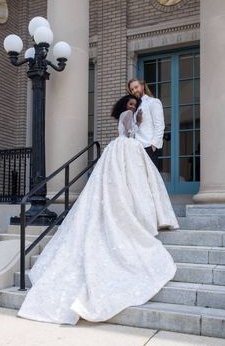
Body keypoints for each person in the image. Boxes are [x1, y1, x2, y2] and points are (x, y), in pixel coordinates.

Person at [18, 95, 179, 325]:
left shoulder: (130, 115)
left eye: (135, 103)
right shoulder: (128, 116)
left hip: (125, 149)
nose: (133, 106)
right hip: (126, 148)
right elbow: (130, 132)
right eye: (130, 103)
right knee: (127, 183)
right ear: (126, 105)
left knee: (131, 184)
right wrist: (138, 120)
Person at [127, 78, 165, 168]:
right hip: (136, 149)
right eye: (132, 89)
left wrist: (154, 145)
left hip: (149, 148)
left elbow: (159, 125)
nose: (134, 91)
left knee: (151, 180)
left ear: (142, 86)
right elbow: (132, 130)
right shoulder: (134, 108)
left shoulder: (153, 102)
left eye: (136, 87)